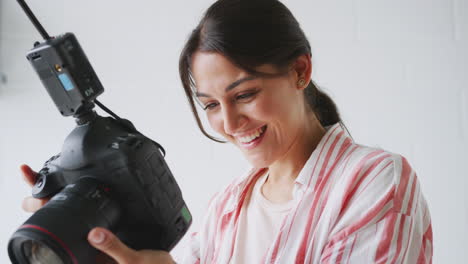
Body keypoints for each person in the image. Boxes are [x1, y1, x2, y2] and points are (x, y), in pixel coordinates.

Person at [21, 0, 433, 263]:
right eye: (212, 105)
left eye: (246, 94)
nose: (230, 125)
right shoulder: (228, 207)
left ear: (300, 71)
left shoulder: (375, 181)